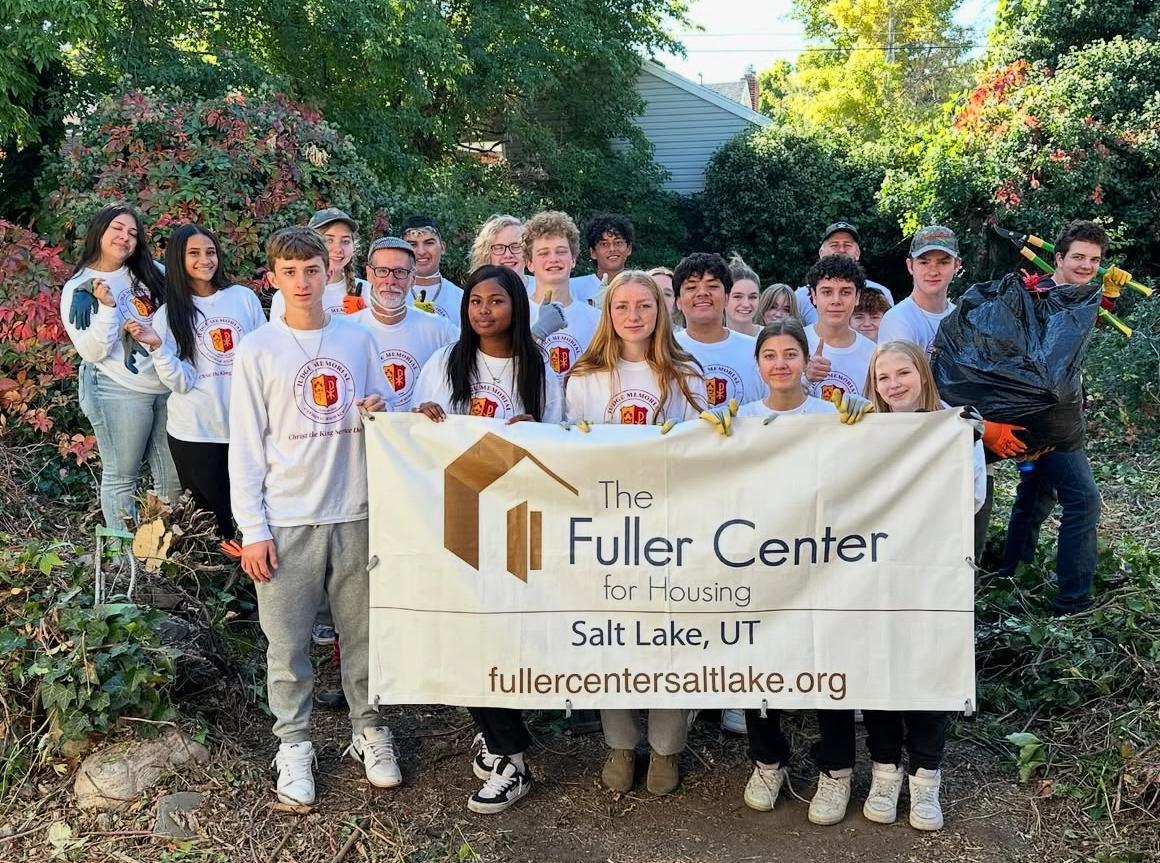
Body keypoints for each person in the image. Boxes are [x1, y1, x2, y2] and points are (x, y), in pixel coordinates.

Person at [229, 227, 396, 806]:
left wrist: (378, 406)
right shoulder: (257, 349)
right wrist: (253, 529)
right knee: (287, 644)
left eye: (313, 270)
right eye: (290, 271)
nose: (302, 282)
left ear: (331, 272)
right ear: (273, 277)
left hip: (357, 509)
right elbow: (245, 446)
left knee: (364, 635)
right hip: (287, 516)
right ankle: (294, 742)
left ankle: (369, 728)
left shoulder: (357, 338)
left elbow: (385, 408)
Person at [412, 264, 562, 813]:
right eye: (475, 301)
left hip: (519, 520)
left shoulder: (540, 367)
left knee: (507, 632)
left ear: (516, 306)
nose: (483, 310)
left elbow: (563, 442)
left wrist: (536, 432)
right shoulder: (445, 362)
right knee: (465, 631)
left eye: (495, 301)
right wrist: (421, 418)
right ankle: (509, 752)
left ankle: (504, 742)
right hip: (460, 518)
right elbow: (416, 440)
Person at [564, 270, 705, 794]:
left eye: (644, 305)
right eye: (621, 305)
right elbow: (564, 445)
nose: (633, 315)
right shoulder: (585, 375)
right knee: (611, 630)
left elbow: (704, 449)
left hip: (668, 522)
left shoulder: (683, 372)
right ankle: (620, 742)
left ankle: (666, 746)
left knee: (667, 631)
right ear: (607, 312)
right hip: (606, 520)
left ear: (659, 310)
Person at [733, 320, 872, 816]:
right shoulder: (741, 419)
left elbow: (871, 462)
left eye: (790, 354)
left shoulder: (832, 415)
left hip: (821, 561)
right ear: (757, 364)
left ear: (806, 360)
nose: (781, 364)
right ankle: (768, 761)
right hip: (759, 561)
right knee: (757, 657)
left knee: (827, 657)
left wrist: (867, 418)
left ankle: (837, 770)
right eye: (770, 355)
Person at [853, 339, 987, 831]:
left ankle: (927, 776)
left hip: (933, 570)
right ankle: (885, 771)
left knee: (928, 668)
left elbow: (973, 497)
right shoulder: (864, 429)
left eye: (903, 373)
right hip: (875, 570)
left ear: (922, 373)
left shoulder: (956, 426)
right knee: (879, 667)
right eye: (883, 377)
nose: (894, 385)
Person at [122, 224, 265, 548]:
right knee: (214, 523)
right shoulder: (168, 315)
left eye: (210, 252)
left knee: (254, 513)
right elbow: (180, 382)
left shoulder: (242, 299)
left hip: (246, 427)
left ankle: (257, 573)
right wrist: (157, 346)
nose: (205, 260)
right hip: (197, 432)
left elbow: (264, 359)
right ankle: (224, 578)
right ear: (179, 259)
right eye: (194, 253)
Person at [996, 220, 1106, 615]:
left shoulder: (1078, 296)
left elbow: (1084, 329)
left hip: (1059, 414)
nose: (1086, 266)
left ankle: (1010, 574)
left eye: (1094, 260)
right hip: (1047, 422)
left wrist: (1108, 296)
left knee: (1035, 495)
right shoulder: (1037, 296)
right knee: (1084, 501)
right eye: (1078, 257)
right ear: (1057, 258)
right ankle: (1073, 601)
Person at [61, 203, 180, 527]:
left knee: (172, 476)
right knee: (122, 474)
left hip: (166, 384)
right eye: (117, 229)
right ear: (99, 231)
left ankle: (159, 549)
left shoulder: (152, 272)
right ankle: (120, 551)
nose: (125, 237)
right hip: (118, 388)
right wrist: (107, 308)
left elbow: (188, 301)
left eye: (132, 233)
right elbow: (92, 351)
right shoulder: (79, 288)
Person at [351, 236, 457, 412]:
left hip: (421, 430)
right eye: (382, 271)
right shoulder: (349, 329)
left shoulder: (440, 330)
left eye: (400, 272)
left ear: (413, 277)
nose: (390, 281)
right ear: (369, 274)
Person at [673, 253, 767, 408]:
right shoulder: (665, 351)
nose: (702, 293)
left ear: (727, 297)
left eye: (712, 286)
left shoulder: (756, 350)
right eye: (691, 287)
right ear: (678, 302)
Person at [523, 211, 600, 385]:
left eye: (561, 251)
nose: (553, 259)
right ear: (530, 263)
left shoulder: (597, 320)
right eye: (543, 253)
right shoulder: (515, 315)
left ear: (573, 259)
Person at [270, 208, 366, 319]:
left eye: (345, 241)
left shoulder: (367, 290)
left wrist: (365, 316)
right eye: (328, 240)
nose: (338, 249)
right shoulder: (290, 295)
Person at [876, 226, 961, 353]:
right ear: (910, 266)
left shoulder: (960, 318)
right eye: (924, 263)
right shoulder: (898, 319)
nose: (933, 272)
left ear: (956, 265)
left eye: (943, 263)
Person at [803, 255, 877, 400]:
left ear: (857, 297)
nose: (836, 301)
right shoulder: (794, 344)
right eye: (827, 292)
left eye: (845, 292)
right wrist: (805, 379)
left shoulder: (873, 354)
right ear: (814, 295)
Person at [795, 222, 894, 325]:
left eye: (847, 245)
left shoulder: (881, 293)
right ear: (821, 253)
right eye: (834, 245)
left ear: (857, 253)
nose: (841, 250)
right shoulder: (800, 297)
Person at [401, 215, 464, 320]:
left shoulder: (461, 299)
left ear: (442, 247)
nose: (421, 251)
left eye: (429, 243)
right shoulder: (389, 295)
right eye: (412, 244)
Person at [571, 213, 635, 303]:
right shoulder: (573, 288)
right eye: (604, 244)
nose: (612, 249)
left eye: (618, 242)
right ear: (593, 252)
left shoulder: (641, 287)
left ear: (629, 249)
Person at [470, 214, 525, 282]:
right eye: (499, 248)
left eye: (515, 246)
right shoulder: (477, 288)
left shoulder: (538, 286)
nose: (508, 255)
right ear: (486, 254)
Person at [725, 254, 762, 335]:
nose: (746, 304)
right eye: (737, 296)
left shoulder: (772, 337)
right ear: (723, 298)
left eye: (752, 297)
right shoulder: (709, 339)